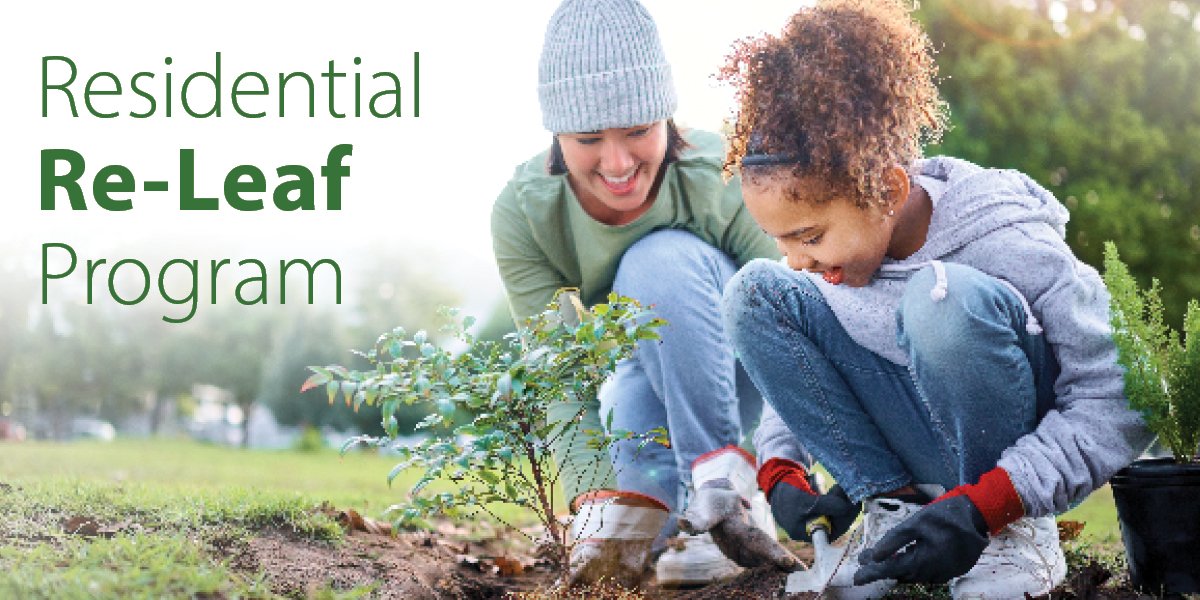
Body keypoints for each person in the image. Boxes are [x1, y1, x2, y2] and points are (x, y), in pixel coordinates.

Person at [706, 1, 1154, 598]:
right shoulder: (840, 260)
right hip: (909, 458)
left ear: (888, 189)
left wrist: (988, 506)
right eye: (782, 239)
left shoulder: (1008, 240)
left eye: (810, 236)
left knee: (940, 299)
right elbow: (813, 363)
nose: (798, 259)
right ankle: (894, 513)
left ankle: (1010, 540)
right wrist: (781, 464)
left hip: (1003, 485)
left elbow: (1122, 396)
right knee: (754, 292)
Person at [490, 0, 801, 588]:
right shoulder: (525, 214)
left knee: (657, 261)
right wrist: (594, 500)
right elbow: (557, 375)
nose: (617, 162)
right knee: (631, 522)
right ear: (556, 133)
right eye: (588, 138)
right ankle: (682, 517)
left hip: (737, 367)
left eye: (638, 131)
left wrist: (779, 463)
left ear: (667, 116)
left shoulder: (722, 173)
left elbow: (792, 324)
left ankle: (725, 490)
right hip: (643, 375)